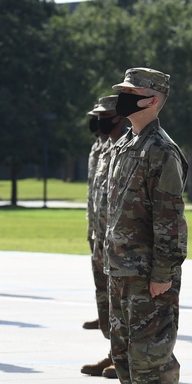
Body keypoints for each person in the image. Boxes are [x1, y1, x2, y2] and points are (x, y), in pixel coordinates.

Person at [101, 67, 188, 384]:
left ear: (152, 99)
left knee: (151, 357)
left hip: (148, 274)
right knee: (124, 355)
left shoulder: (161, 150)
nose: (122, 98)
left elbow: (169, 218)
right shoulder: (126, 144)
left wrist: (163, 273)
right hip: (121, 270)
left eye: (130, 92)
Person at [82, 95, 126, 379]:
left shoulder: (125, 148)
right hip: (99, 235)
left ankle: (123, 358)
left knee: (120, 301)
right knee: (105, 298)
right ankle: (114, 352)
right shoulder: (103, 147)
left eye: (103, 115)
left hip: (117, 239)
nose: (98, 120)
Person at [82, 103, 106, 330]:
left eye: (100, 117)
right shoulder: (97, 146)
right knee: (99, 277)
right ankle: (104, 317)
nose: (96, 121)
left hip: (108, 226)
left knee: (110, 279)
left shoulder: (116, 146)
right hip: (95, 222)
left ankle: (109, 321)